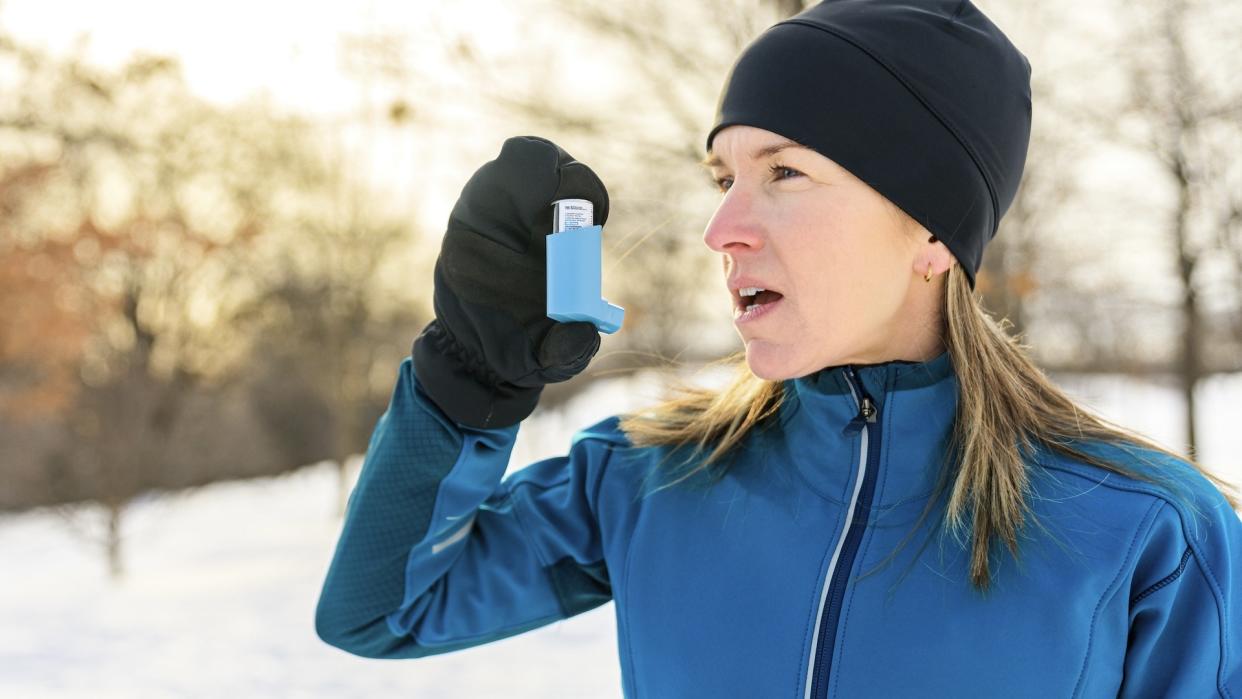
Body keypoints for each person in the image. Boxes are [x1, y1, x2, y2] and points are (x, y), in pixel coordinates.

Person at [315, 1, 1242, 696]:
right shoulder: (650, 480)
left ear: (931, 232)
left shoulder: (1150, 534)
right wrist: (467, 382)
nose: (723, 227)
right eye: (724, 176)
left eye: (785, 173)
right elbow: (383, 610)